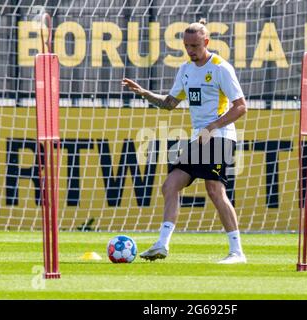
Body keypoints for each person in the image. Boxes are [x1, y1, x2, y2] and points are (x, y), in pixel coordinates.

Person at [122, 19, 248, 264]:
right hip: (199, 138)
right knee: (170, 185)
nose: (191, 50)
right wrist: (144, 93)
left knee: (214, 190)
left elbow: (241, 107)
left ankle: (237, 252)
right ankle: (162, 245)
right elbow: (170, 104)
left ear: (206, 42)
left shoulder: (221, 68)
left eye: (195, 45)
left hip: (219, 136)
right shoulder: (185, 70)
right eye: (187, 45)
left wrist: (212, 127)